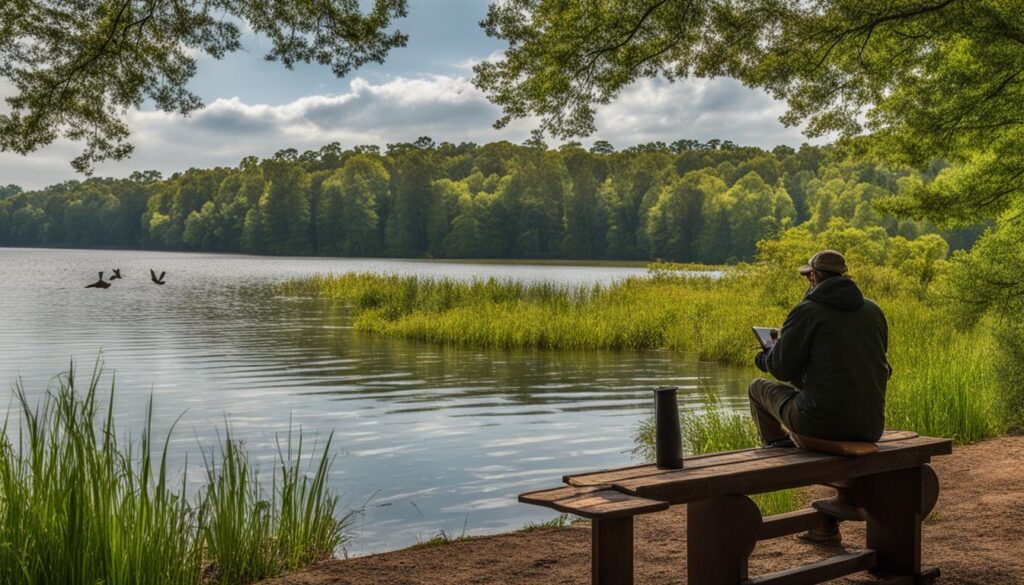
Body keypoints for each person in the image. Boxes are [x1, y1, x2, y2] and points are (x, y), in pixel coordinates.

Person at [748, 250, 891, 544]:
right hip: (870, 428)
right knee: (819, 405)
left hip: (820, 425)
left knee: (757, 388)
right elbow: (884, 370)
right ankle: (827, 522)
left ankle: (780, 454)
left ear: (813, 276)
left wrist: (765, 355)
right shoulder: (874, 311)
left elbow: (781, 369)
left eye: (807, 276)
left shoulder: (806, 311)